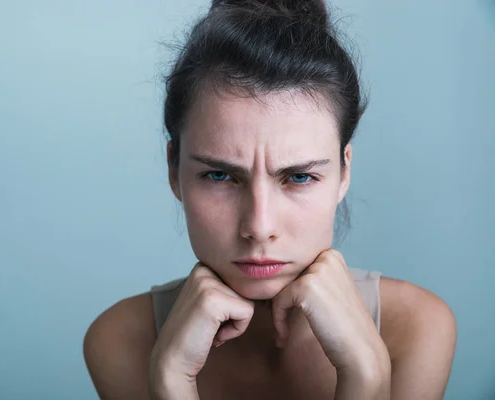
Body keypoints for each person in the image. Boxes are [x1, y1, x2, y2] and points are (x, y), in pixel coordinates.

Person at [83, 0, 457, 398]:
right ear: (174, 169)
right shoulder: (123, 340)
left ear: (344, 171)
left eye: (299, 177)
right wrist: (171, 378)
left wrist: (366, 375)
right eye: (220, 175)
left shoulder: (415, 327)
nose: (259, 227)